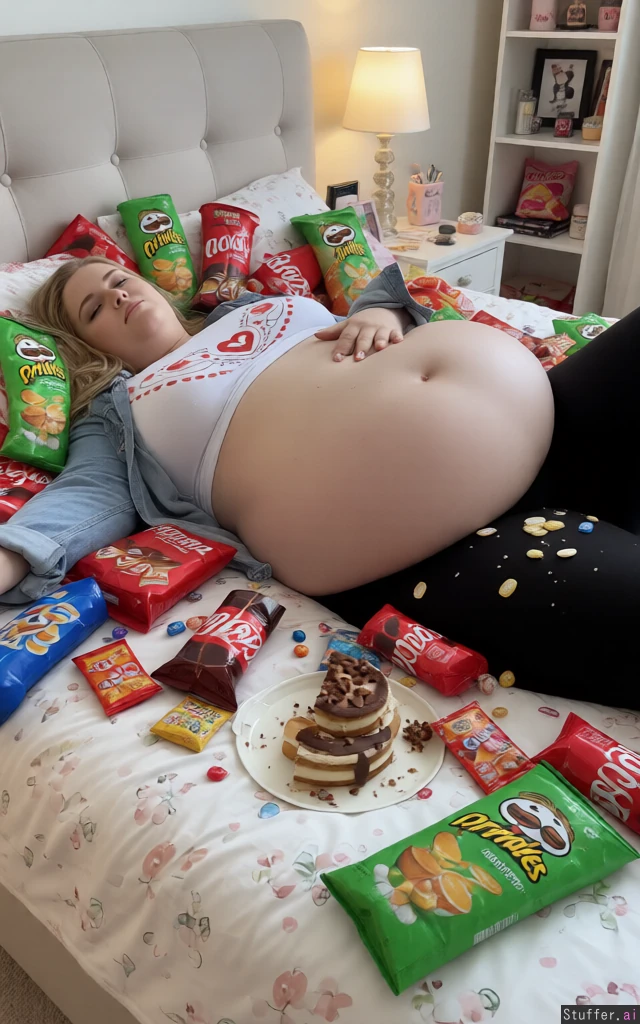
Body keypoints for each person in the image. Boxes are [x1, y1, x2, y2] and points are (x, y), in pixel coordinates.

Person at [0, 255, 637, 706]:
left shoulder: (253, 305)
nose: (116, 296)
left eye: (118, 280)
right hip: (423, 549)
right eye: (94, 308)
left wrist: (383, 310)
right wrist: (11, 556)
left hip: (550, 426)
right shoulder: (118, 409)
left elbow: (365, 314)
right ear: (84, 345)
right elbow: (86, 497)